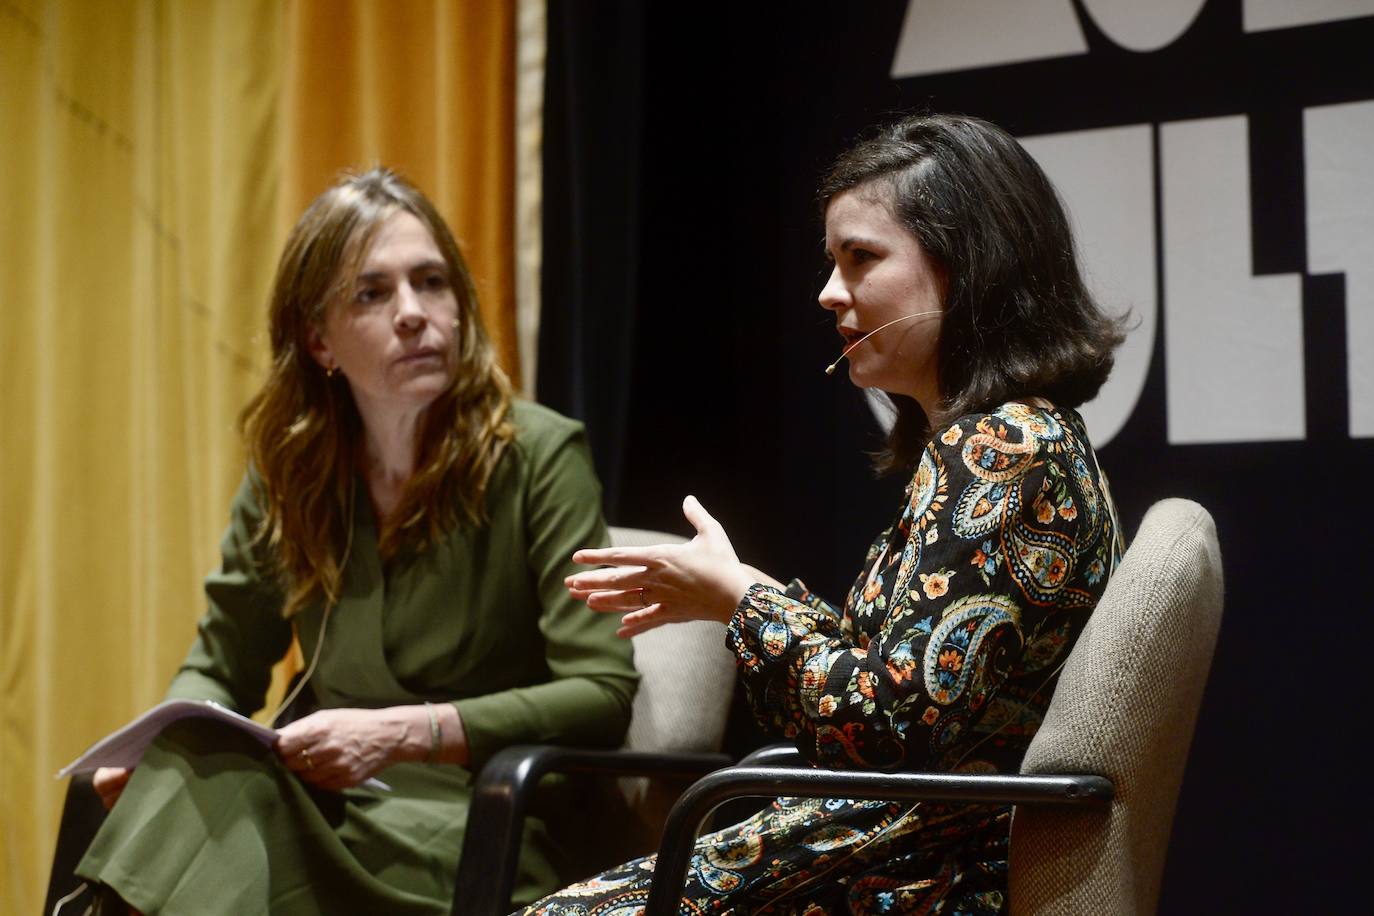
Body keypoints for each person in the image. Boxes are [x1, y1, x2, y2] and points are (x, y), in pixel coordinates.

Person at [521, 112, 1127, 915]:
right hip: (897, 853)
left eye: (861, 259)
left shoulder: (1001, 448)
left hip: (922, 880)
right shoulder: (1018, 436)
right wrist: (735, 589)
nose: (828, 291)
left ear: (965, 268)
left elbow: (888, 729)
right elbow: (901, 685)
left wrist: (742, 601)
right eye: (831, 260)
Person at [72, 168, 638, 915]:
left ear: (460, 308)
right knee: (178, 767)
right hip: (334, 809)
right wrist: (149, 753)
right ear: (318, 339)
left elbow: (600, 692)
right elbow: (221, 665)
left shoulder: (537, 455)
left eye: (431, 282)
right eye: (372, 294)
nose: (413, 313)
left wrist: (405, 733)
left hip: (489, 823)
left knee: (201, 825)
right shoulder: (293, 472)